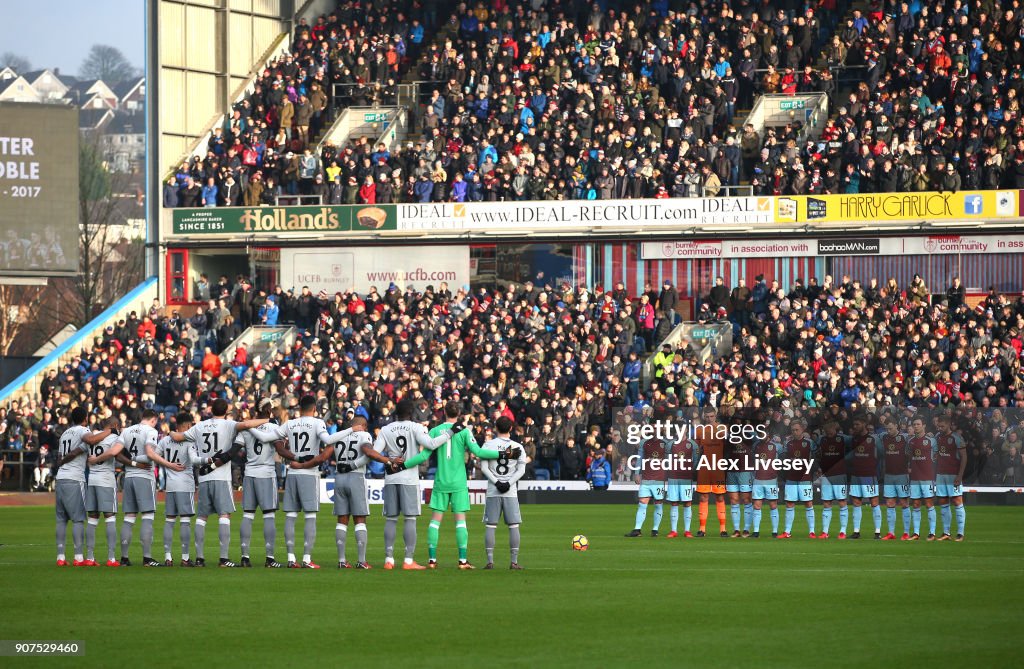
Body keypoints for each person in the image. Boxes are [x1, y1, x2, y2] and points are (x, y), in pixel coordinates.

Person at [398, 401, 506, 569]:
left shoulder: (434, 431)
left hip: (441, 481)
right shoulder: (464, 431)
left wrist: (403, 465)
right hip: (458, 482)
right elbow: (478, 452)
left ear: (444, 412)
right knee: (460, 521)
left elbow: (422, 457)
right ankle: (462, 561)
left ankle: (432, 560)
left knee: (435, 521)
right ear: (459, 413)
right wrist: (503, 454)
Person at [170, 398, 269, 567]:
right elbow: (246, 425)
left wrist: (171, 433)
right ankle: (224, 558)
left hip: (204, 477)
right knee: (224, 515)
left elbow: (178, 436)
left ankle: (200, 558)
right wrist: (267, 419)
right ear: (226, 411)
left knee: (202, 517)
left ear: (211, 410)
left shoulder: (199, 426)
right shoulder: (228, 425)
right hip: (221, 476)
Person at [299, 414, 392, 569]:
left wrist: (302, 465)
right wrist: (387, 461)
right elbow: (368, 452)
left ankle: (342, 560)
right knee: (359, 520)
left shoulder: (339, 437)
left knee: (342, 520)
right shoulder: (364, 435)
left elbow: (323, 457)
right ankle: (361, 561)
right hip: (356, 478)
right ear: (363, 425)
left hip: (339, 478)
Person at [373, 399, 453, 569]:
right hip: (409, 479)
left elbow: (375, 451)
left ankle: (389, 559)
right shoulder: (416, 427)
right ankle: (408, 560)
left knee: (391, 519)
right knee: (409, 519)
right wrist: (448, 434)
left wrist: (389, 461)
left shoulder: (386, 429)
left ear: (396, 412)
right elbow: (431, 444)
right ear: (411, 413)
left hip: (391, 478)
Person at [270, 394, 333, 568]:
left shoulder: (290, 423)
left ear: (300, 409)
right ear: (314, 409)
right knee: (310, 516)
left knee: (290, 516)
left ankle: (291, 558)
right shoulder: (318, 423)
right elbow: (327, 441)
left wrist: (292, 456)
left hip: (292, 472)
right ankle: (306, 559)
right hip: (309, 473)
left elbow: (276, 440)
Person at [233, 400, 298, 568]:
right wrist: (298, 458)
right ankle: (269, 558)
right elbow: (281, 450)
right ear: (269, 410)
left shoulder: (247, 428)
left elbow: (236, 449)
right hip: (266, 473)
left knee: (248, 515)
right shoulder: (273, 428)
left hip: (249, 473)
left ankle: (245, 557)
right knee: (269, 515)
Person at [54, 407, 111, 566]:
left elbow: (61, 456)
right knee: (78, 519)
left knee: (61, 520)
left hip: (60, 478)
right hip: (74, 478)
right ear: (85, 418)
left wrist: (65, 460)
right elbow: (91, 440)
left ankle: (60, 557)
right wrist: (109, 431)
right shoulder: (83, 430)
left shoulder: (65, 433)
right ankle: (79, 557)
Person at [115, 409, 164, 566]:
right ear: (154, 419)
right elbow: (150, 454)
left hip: (129, 477)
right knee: (147, 516)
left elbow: (117, 454)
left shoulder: (127, 430)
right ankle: (147, 558)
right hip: (145, 477)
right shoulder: (151, 431)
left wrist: (132, 462)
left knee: (129, 517)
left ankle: (124, 558)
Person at [478, 416, 527, 569]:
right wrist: (508, 483)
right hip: (510, 492)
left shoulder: (488, 445)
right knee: (513, 526)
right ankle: (514, 562)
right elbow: (521, 470)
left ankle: (490, 561)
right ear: (511, 429)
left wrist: (498, 482)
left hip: (493, 490)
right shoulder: (518, 447)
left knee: (491, 525)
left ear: (496, 428)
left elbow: (484, 468)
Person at [156, 413, 199, 566]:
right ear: (187, 426)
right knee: (185, 522)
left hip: (171, 486)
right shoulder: (189, 441)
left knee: (169, 521)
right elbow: (194, 460)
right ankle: (185, 558)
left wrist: (167, 464)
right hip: (185, 484)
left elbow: (153, 456)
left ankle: (168, 557)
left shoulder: (165, 440)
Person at [83, 418, 123, 567]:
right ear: (115, 426)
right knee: (109, 518)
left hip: (92, 480)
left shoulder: (94, 435)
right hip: (106, 481)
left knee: (92, 520)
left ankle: (90, 557)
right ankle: (111, 558)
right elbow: (114, 454)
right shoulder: (114, 437)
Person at [847, 414, 883, 539]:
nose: (855, 427)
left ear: (864, 425)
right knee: (856, 502)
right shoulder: (854, 440)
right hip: (856, 475)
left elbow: (880, 454)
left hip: (869, 475)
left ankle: (877, 532)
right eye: (854, 425)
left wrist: (873, 467)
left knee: (874, 501)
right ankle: (856, 532)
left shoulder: (873, 439)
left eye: (857, 424)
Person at [781, 418, 817, 539]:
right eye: (792, 430)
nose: (794, 432)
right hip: (791, 477)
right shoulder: (788, 443)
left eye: (796, 430)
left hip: (805, 478)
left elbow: (815, 458)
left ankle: (812, 531)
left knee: (808, 503)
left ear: (802, 429)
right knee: (790, 503)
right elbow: (784, 459)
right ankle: (787, 532)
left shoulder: (809, 443)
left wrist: (812, 470)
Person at [625, 431, 667, 538]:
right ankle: (637, 529)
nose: (654, 429)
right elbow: (639, 459)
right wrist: (637, 473)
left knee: (658, 503)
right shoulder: (644, 442)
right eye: (652, 427)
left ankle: (655, 530)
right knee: (642, 503)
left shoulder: (666, 443)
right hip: (646, 478)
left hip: (659, 479)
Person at [695, 407, 728, 537]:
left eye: (712, 416)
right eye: (707, 416)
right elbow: (697, 448)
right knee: (703, 497)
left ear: (715, 416)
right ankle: (702, 529)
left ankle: (723, 529)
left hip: (718, 467)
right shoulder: (699, 430)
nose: (709, 419)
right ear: (704, 416)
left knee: (719, 497)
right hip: (704, 467)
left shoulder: (722, 429)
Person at [934, 414, 968, 541]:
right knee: (943, 502)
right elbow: (937, 453)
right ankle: (946, 533)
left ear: (948, 425)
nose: (940, 428)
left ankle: (960, 533)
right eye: (939, 426)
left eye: (942, 426)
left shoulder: (956, 438)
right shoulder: (937, 437)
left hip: (953, 475)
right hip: (940, 475)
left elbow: (964, 457)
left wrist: (960, 475)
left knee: (957, 501)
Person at [665, 422, 699, 538]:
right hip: (673, 477)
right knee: (674, 502)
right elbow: (667, 460)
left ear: (686, 431)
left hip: (686, 477)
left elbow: (696, 461)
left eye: (683, 429)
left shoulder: (692, 444)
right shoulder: (670, 444)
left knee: (687, 502)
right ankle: (673, 530)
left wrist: (690, 471)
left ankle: (687, 531)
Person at [817, 419, 850, 539]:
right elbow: (819, 455)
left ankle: (843, 531)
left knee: (842, 501)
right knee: (826, 502)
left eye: (830, 429)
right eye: (826, 430)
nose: (828, 432)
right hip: (826, 475)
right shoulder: (822, 440)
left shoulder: (842, 439)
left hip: (839, 474)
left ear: (835, 429)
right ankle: (825, 532)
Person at [881, 417, 912, 540]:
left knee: (904, 503)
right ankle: (891, 533)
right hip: (888, 475)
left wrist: (910, 466)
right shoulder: (884, 437)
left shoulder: (905, 438)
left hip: (902, 475)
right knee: (890, 503)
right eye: (886, 429)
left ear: (896, 426)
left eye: (890, 428)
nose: (888, 431)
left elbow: (912, 452)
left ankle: (906, 533)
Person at [908, 416, 938, 540]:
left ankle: (932, 533)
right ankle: (916, 533)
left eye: (918, 424)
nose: (916, 426)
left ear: (924, 425)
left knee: (929, 503)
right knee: (915, 504)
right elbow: (908, 456)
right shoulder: (910, 442)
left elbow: (936, 457)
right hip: (914, 478)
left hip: (927, 477)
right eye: (914, 424)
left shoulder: (931, 441)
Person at [751, 430, 782, 538]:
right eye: (759, 435)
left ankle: (774, 532)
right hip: (758, 479)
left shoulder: (776, 446)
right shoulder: (756, 445)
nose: (760, 437)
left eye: (762, 434)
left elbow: (782, 460)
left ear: (768, 434)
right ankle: (756, 532)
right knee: (756, 505)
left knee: (773, 505)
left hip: (771, 480)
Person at [726, 433, 754, 537]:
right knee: (734, 500)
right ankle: (736, 530)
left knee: (746, 499)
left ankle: (746, 529)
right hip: (731, 471)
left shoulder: (749, 436)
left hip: (745, 471)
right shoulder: (728, 439)